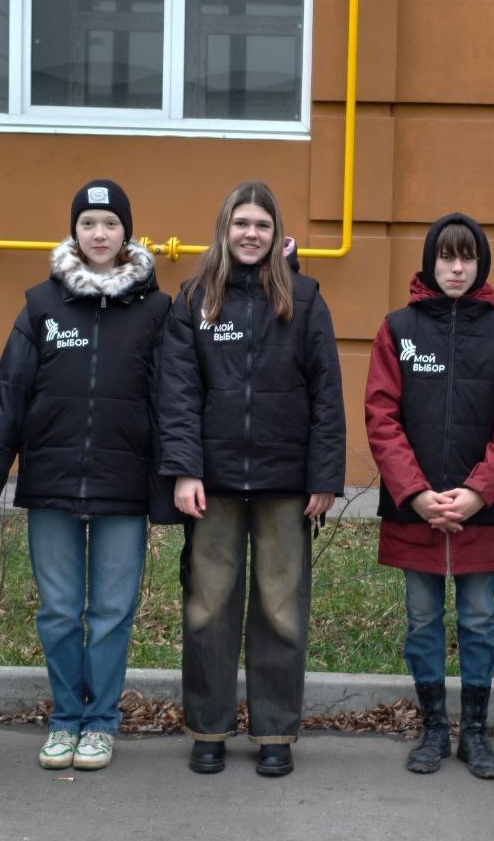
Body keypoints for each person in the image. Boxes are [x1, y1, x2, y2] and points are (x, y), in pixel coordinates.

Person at [0, 179, 170, 772]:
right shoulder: (41, 306)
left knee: (110, 611)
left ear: (127, 232)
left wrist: (174, 476)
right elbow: (9, 396)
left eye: (109, 223)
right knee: (56, 609)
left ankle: (100, 722)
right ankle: (64, 719)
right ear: (72, 232)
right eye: (87, 224)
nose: (99, 234)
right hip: (51, 482)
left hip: (124, 485)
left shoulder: (156, 309)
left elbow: (172, 400)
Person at [158, 180, 345, 777]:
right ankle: (208, 727)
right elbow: (178, 394)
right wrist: (185, 469)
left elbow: (327, 396)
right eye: (241, 223)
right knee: (209, 606)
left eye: (261, 225)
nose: (250, 234)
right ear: (224, 228)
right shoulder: (194, 298)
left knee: (280, 608)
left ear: (276, 234)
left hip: (286, 483)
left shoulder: (307, 299)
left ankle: (274, 732)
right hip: (211, 484)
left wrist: (324, 476)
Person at [364, 213, 494, 779]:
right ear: (430, 263)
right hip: (416, 511)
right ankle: (435, 728)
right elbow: (382, 417)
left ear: (480, 263)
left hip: (481, 512)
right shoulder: (398, 328)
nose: (456, 268)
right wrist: (414, 494)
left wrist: (477, 493)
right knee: (421, 620)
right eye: (445, 257)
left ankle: (477, 734)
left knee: (480, 619)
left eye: (466, 257)